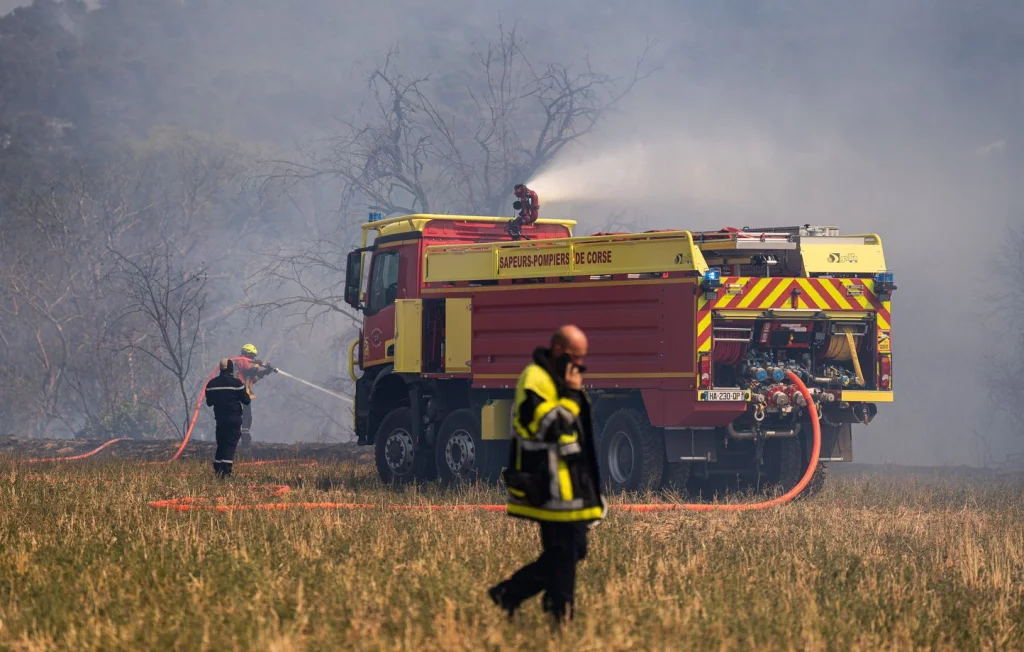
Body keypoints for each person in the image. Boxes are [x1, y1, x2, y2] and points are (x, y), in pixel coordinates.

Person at [488, 324, 606, 624]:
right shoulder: (536, 380)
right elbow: (547, 427)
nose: (580, 366)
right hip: (549, 487)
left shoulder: (560, 380)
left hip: (571, 488)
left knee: (572, 551)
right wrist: (570, 394)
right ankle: (559, 618)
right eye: (575, 358)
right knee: (564, 555)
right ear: (558, 351)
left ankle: (509, 594)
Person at [204, 358, 251, 477]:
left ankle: (218, 468)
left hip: (220, 419)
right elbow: (246, 400)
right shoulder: (236, 383)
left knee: (221, 443)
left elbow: (209, 402)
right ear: (231, 369)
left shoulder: (211, 384)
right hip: (234, 419)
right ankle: (226, 469)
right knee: (231, 443)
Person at [230, 343, 277, 457]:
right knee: (242, 417)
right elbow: (250, 372)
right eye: (252, 356)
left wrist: (266, 372)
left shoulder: (247, 364)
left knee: (247, 417)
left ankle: (245, 443)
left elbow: (253, 378)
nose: (253, 359)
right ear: (246, 353)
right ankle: (241, 441)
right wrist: (257, 365)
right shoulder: (241, 360)